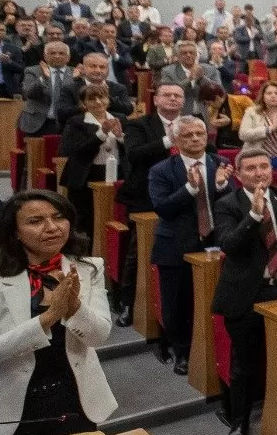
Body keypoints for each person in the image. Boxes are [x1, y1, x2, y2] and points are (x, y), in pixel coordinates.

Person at [0, 190, 116, 435]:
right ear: (15, 232)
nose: (51, 227)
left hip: (74, 398)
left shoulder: (89, 269)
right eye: (35, 221)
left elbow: (98, 336)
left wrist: (74, 307)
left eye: (59, 217)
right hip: (10, 405)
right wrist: (48, 319)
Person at [211, 148, 277, 435]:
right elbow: (229, 244)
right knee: (245, 363)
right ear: (239, 174)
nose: (259, 173)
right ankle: (239, 420)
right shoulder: (228, 203)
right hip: (247, 294)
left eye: (264, 167)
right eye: (251, 168)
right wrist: (254, 215)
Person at [148, 116, 235, 376]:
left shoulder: (220, 163)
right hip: (176, 244)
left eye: (200, 133)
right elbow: (162, 208)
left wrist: (221, 186)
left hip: (215, 241)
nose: (196, 138)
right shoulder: (161, 170)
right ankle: (181, 351)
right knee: (177, 303)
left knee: (211, 299)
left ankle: (211, 350)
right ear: (175, 140)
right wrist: (189, 188)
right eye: (188, 135)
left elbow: (231, 205)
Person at [114, 81, 186, 325]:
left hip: (183, 197)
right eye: (168, 95)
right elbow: (134, 154)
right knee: (138, 253)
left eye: (178, 95)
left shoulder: (192, 125)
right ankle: (127, 303)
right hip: (145, 197)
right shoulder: (138, 125)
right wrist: (170, 140)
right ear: (155, 100)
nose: (173, 99)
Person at [59, 83, 125, 237]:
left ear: (108, 99)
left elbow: (132, 149)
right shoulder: (76, 122)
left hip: (117, 172)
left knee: (115, 217)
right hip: (86, 175)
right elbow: (77, 150)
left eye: (101, 97)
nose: (98, 102)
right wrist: (101, 134)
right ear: (83, 103)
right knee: (85, 221)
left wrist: (121, 137)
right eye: (92, 99)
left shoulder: (119, 118)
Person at [18, 40, 74, 136]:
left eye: (61, 53)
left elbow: (74, 98)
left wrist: (73, 79)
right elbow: (28, 93)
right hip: (37, 123)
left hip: (66, 124)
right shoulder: (32, 71)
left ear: (68, 58)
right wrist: (43, 78)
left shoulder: (75, 73)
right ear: (45, 56)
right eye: (52, 53)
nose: (57, 56)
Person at [160, 41, 223, 117]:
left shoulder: (210, 69)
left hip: (205, 113)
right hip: (180, 113)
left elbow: (219, 90)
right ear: (178, 56)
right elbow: (168, 92)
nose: (188, 55)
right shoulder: (168, 71)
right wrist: (190, 79)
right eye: (184, 53)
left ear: (196, 55)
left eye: (191, 53)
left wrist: (202, 78)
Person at [67, 51, 134, 117]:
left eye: (102, 67)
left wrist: (106, 98)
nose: (98, 70)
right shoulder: (70, 89)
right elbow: (63, 113)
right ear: (83, 68)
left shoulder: (119, 88)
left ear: (107, 70)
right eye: (93, 66)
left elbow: (128, 110)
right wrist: (86, 106)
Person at [238, 80, 277, 166]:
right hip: (257, 157)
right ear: (263, 96)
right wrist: (268, 130)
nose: (273, 96)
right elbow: (243, 135)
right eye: (269, 93)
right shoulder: (252, 112)